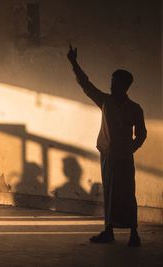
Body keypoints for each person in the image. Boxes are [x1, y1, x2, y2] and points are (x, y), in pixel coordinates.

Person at [67, 44, 147, 247]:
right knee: (110, 192)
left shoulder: (135, 109)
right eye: (111, 82)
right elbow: (86, 85)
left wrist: (131, 148)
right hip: (109, 156)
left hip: (124, 157)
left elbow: (142, 133)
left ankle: (133, 232)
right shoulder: (105, 102)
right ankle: (109, 230)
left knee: (128, 193)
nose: (111, 86)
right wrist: (74, 63)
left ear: (124, 86)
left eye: (114, 83)